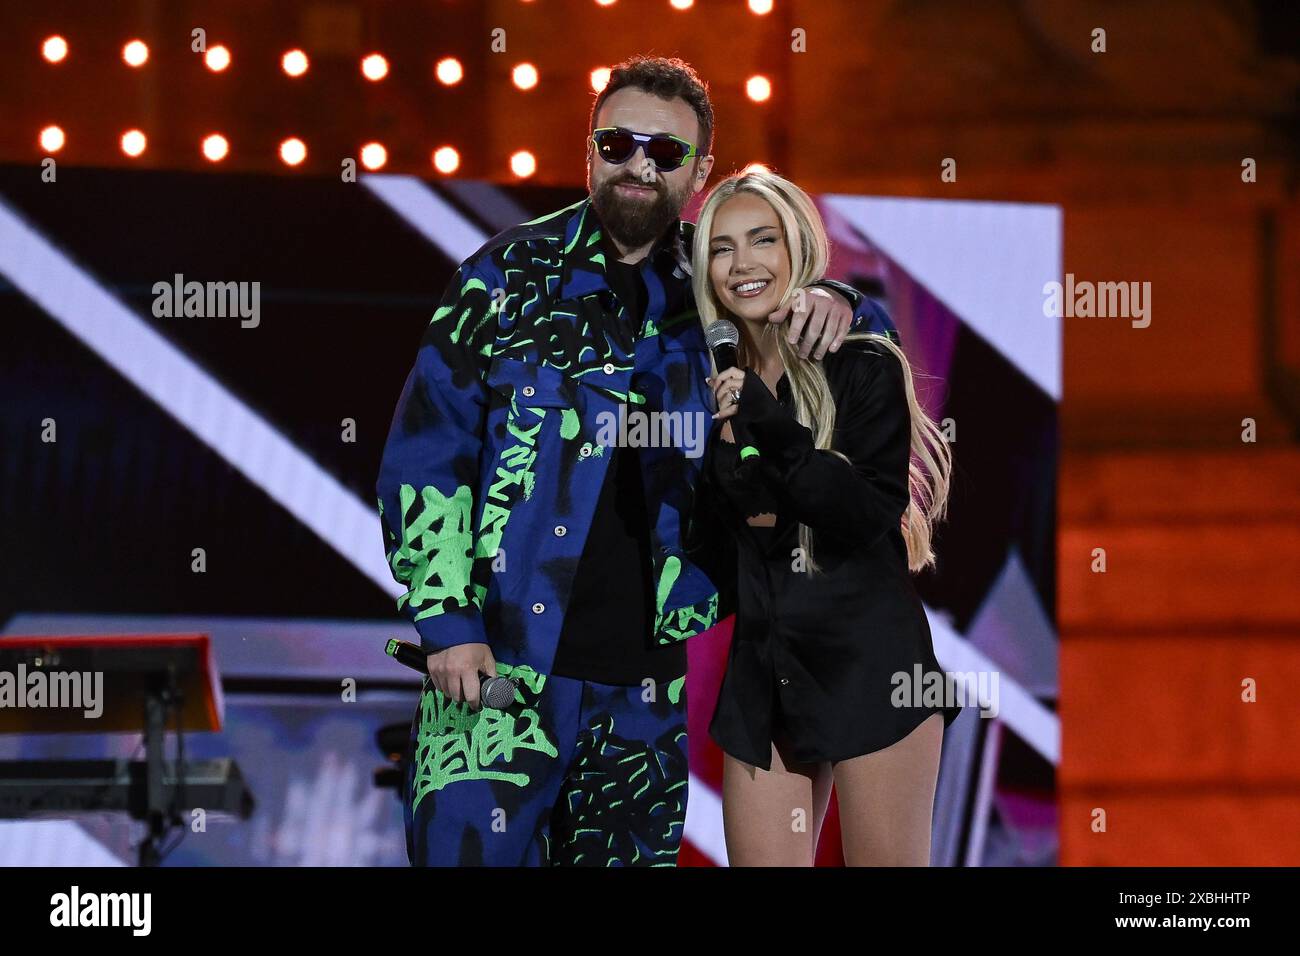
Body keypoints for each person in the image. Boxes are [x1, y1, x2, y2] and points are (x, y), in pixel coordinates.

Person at [375, 56, 895, 866]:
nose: (639, 165)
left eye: (666, 151)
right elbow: (426, 458)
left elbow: (857, 337)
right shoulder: (503, 278)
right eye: (618, 143)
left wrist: (842, 300)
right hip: (492, 679)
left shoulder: (718, 284)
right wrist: (446, 624)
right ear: (589, 149)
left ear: (701, 170)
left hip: (642, 699)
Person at [686, 169, 961, 866]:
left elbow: (866, 514)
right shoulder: (703, 381)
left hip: (871, 667)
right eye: (721, 248)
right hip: (764, 675)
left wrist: (769, 425)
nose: (743, 263)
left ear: (798, 248)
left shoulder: (859, 364)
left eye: (762, 240)